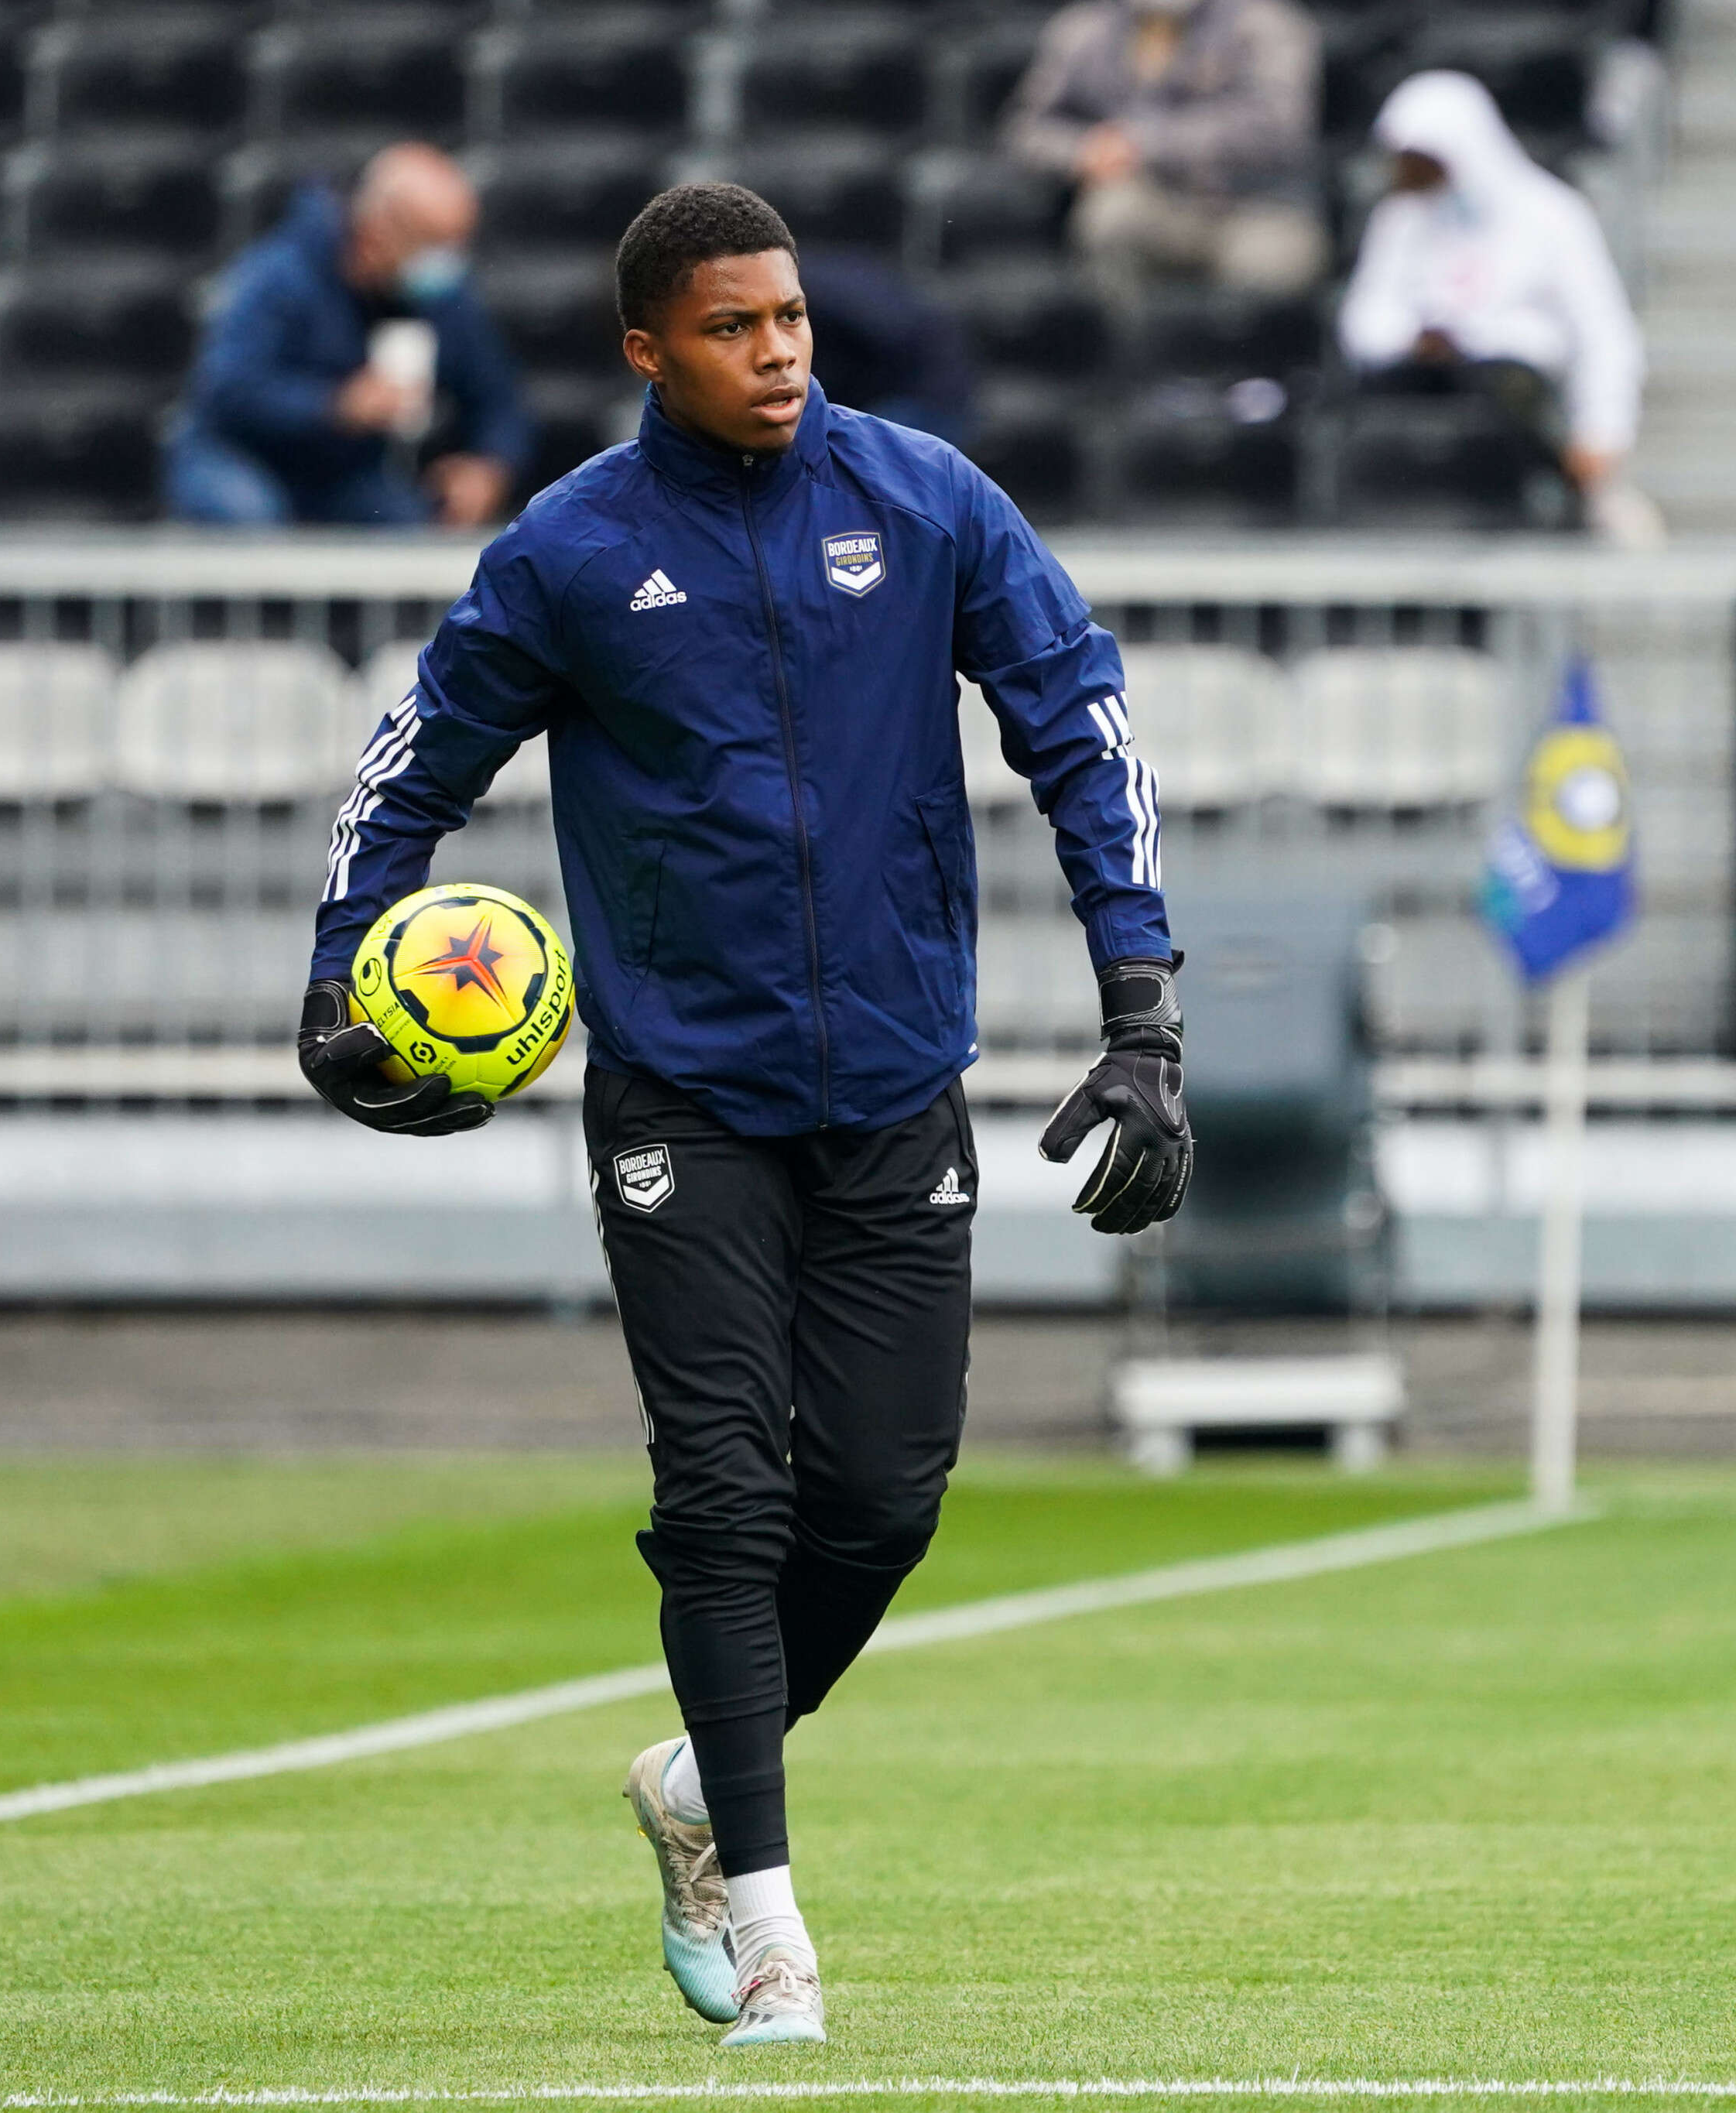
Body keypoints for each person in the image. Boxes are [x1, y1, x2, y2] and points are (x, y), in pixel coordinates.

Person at [297, 183, 1190, 2047]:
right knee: (724, 1489)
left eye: (790, 320)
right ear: (648, 349)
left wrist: (1143, 1016)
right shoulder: (568, 553)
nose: (778, 352)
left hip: (890, 1089)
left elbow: (1082, 723)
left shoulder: (927, 503)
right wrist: (335, 974)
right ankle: (768, 1924)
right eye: (733, 328)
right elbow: (415, 758)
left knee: (880, 1498)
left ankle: (709, 1774)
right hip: (678, 1094)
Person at [1337, 70, 1662, 544]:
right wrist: (1412, 339)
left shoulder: (1552, 214)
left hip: (1518, 397)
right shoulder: (1402, 218)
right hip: (1421, 379)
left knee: (1508, 388)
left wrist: (1602, 431)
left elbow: (1602, 330)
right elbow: (1364, 320)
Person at [169, 144, 529, 529]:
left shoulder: (443, 298)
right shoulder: (277, 277)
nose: (447, 261)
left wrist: (489, 465)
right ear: (377, 229)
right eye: (432, 243)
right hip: (240, 456)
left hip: (342, 476)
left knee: (411, 529)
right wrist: (335, 406)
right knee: (251, 522)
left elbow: (498, 397)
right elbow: (228, 391)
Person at [1005, 0, 1324, 312]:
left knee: (1269, 266)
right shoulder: (1084, 27)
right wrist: (1084, 151)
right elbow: (1025, 130)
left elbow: (1279, 130)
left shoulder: (1267, 20)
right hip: (1158, 201)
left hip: (1259, 208)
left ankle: (1243, 365)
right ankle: (1126, 354)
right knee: (1110, 217)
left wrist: (1142, 144)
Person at [797, 249, 975, 449]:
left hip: (922, 392)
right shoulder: (813, 279)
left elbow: (889, 330)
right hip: (910, 377)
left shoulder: (818, 292)